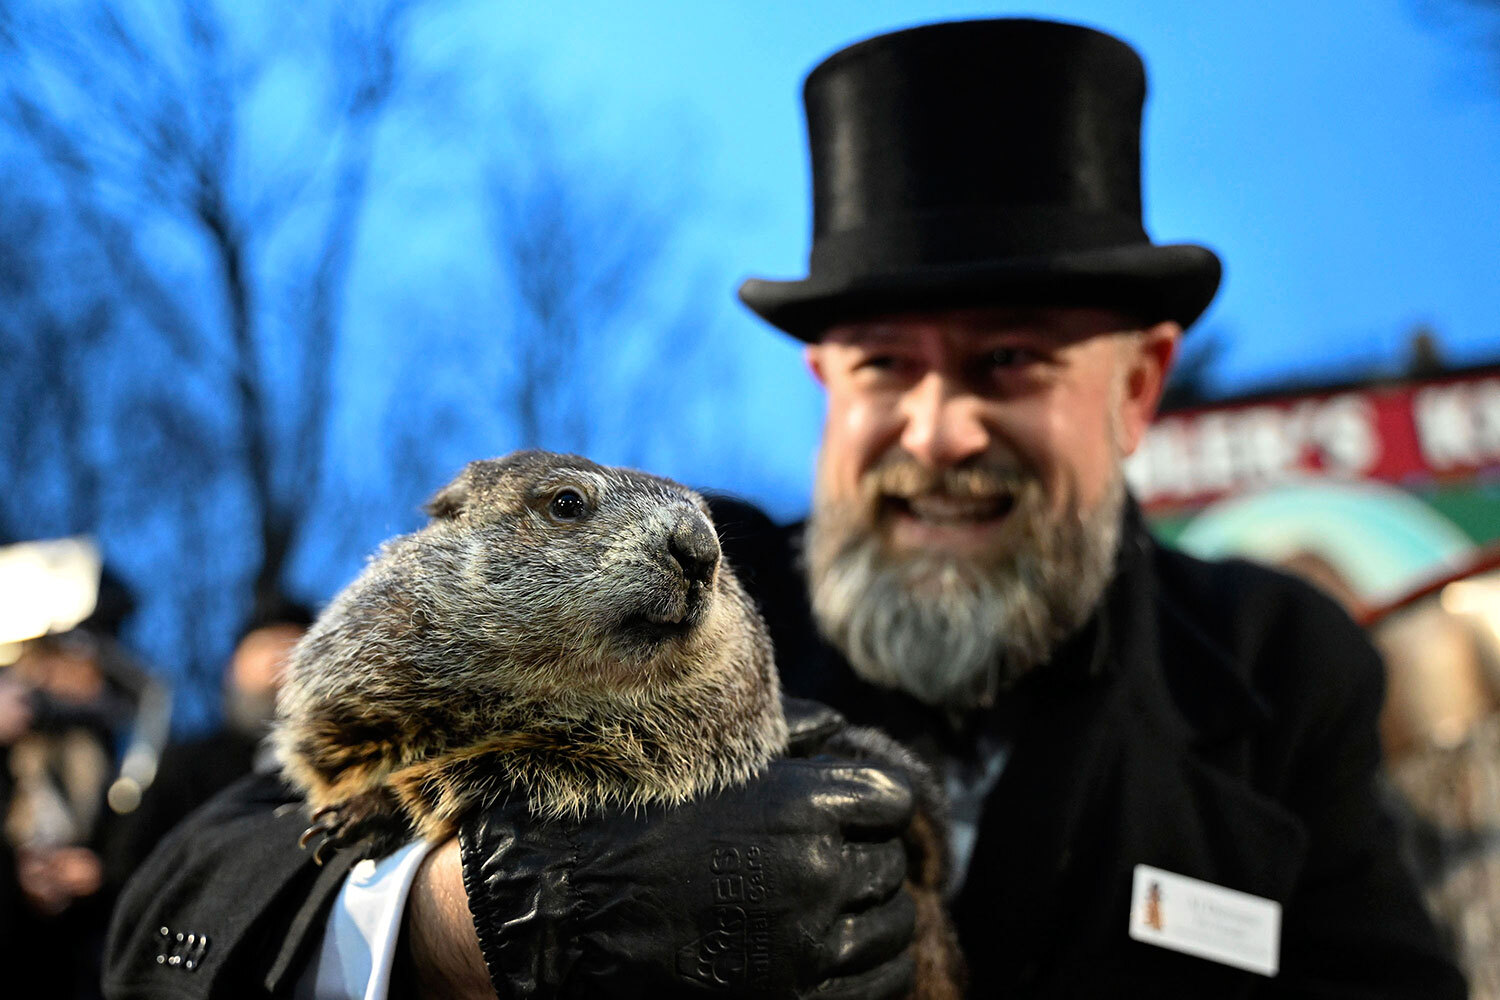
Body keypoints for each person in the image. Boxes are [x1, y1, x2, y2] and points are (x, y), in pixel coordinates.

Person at [105, 17, 1466, 1000]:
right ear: (826, 382)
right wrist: (482, 923)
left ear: (1136, 387)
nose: (940, 432)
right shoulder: (690, 584)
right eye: (886, 366)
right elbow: (183, 906)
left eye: (1013, 362)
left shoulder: (1286, 668)